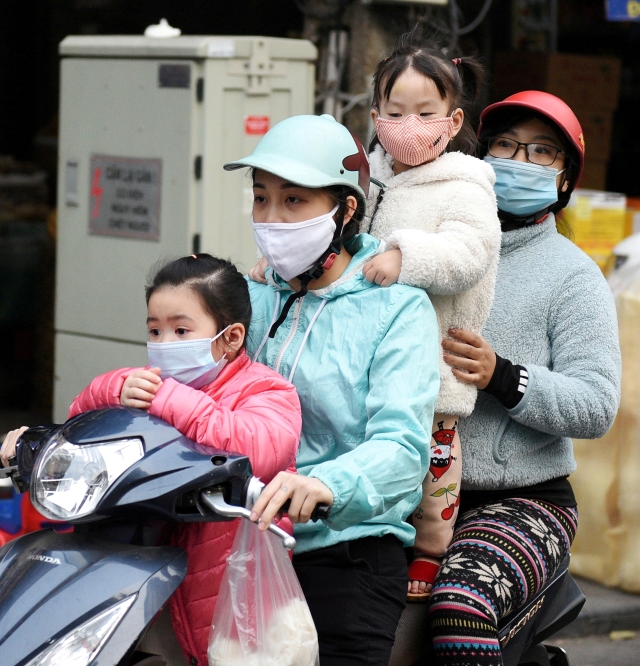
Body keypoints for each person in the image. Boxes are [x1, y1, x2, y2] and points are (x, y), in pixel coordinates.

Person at [1, 254, 301, 666]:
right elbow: (83, 422)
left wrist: (169, 399)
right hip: (147, 583)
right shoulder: (143, 386)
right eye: (154, 331)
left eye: (181, 330)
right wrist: (111, 390)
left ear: (230, 338)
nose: (163, 346)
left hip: (229, 588)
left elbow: (260, 448)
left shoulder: (266, 391)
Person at [235, 113, 441, 666]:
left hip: (345, 549)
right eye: (261, 199)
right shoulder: (245, 295)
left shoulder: (397, 309)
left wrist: (325, 484)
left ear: (345, 210)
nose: (271, 219)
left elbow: (402, 448)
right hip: (235, 534)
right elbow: (183, 385)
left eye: (293, 201)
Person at [425, 91, 621, 666]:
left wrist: (502, 377)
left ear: (564, 180)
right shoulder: (438, 250)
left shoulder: (573, 276)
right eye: (506, 146)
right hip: (413, 488)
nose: (520, 160)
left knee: (461, 604)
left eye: (542, 152)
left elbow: (597, 403)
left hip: (523, 502)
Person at [361, 30, 501, 599]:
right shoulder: (365, 178)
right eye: (395, 111)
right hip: (367, 349)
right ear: (375, 115)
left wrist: (405, 256)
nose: (408, 124)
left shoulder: (466, 185)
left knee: (434, 452)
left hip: (435, 353)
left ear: (452, 118)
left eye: (425, 111)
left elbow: (469, 254)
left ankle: (429, 549)